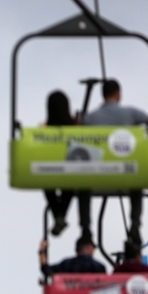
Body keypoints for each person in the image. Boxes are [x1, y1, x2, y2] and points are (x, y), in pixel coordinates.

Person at [83, 79, 148, 247]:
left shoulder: (90, 118)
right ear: (118, 93)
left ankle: (86, 228)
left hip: (97, 172)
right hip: (123, 171)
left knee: (82, 186)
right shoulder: (131, 113)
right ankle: (135, 225)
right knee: (137, 183)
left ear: (103, 95)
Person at [43, 91, 93, 243]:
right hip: (71, 171)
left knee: (47, 185)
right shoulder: (75, 128)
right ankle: (60, 216)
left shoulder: (46, 130)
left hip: (51, 171)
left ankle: (59, 215)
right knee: (69, 187)